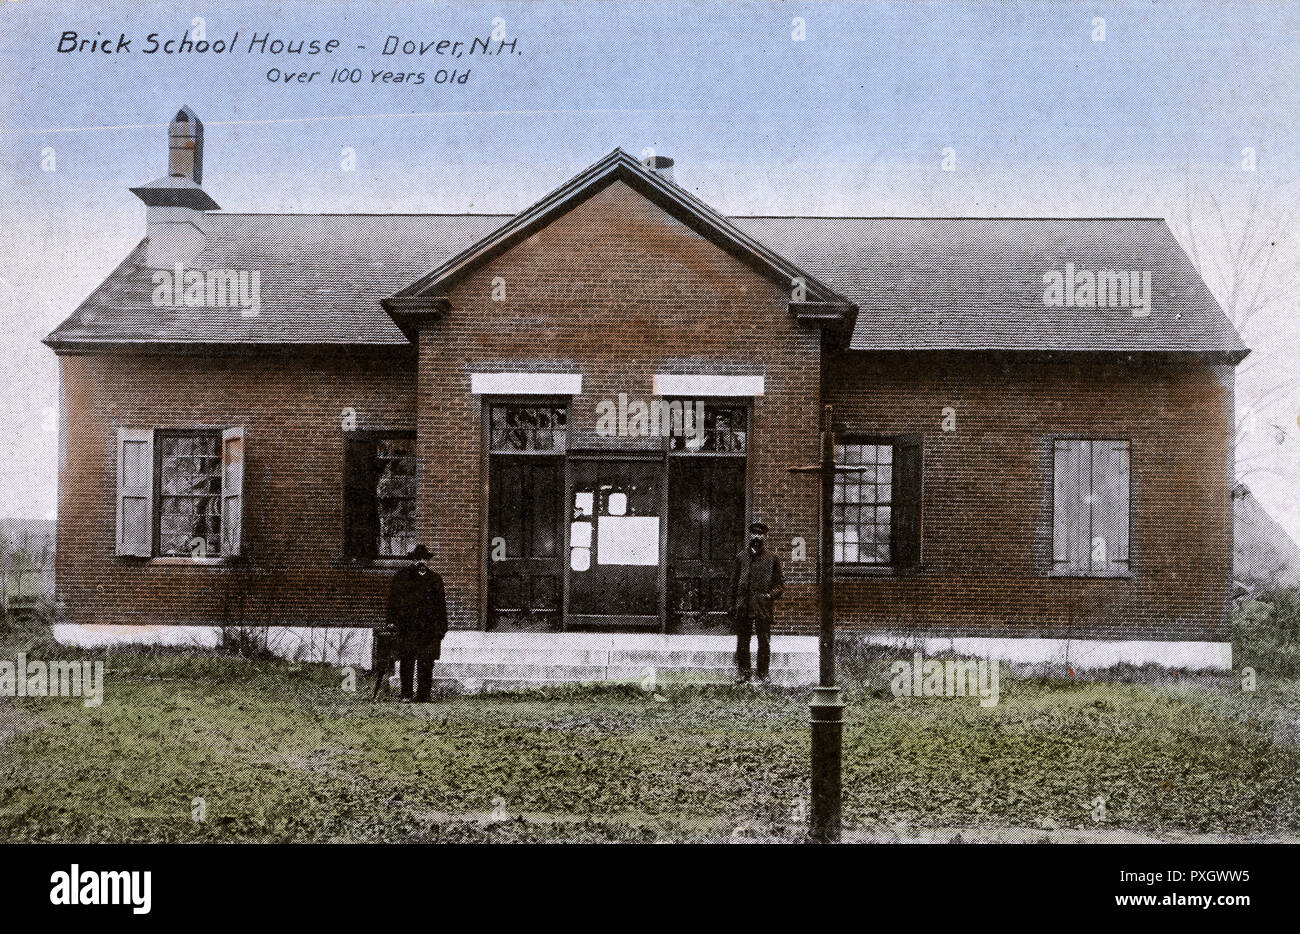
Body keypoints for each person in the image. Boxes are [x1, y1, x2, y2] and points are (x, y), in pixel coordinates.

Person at [383, 543, 448, 702]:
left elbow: (441, 606)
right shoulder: (402, 577)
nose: (421, 562)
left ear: (428, 561)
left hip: (429, 629)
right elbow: (393, 602)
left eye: (424, 559)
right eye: (418, 559)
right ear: (412, 560)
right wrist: (391, 621)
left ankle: (423, 695)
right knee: (407, 660)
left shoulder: (435, 579)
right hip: (408, 627)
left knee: (426, 662)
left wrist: (442, 628)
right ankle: (406, 694)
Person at [730, 521, 783, 684]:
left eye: (760, 534)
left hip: (762, 605)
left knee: (764, 640)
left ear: (764, 536)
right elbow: (733, 584)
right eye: (754, 533)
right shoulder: (741, 557)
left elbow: (780, 585)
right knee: (743, 640)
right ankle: (744, 673)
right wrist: (732, 605)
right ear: (750, 535)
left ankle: (763, 673)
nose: (757, 537)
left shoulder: (772, 559)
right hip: (744, 604)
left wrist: (769, 595)